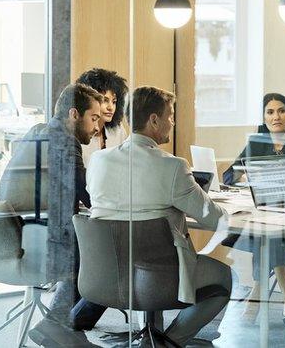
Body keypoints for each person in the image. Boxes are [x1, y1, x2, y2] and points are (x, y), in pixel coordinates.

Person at [86, 86, 233, 347]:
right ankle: (169, 342)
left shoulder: (98, 161)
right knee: (223, 277)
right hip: (157, 277)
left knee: (148, 256)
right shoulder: (173, 166)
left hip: (107, 274)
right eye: (171, 116)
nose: (172, 123)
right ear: (154, 119)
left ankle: (155, 340)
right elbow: (214, 219)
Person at [221, 93, 285, 325]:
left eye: (281, 110)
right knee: (268, 233)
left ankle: (256, 297)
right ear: (264, 117)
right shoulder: (257, 143)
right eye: (270, 112)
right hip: (265, 215)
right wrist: (244, 173)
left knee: (269, 235)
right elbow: (228, 175)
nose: (276, 116)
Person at [24, 83, 108, 347]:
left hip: (28, 231)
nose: (97, 127)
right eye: (93, 118)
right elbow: (85, 192)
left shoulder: (39, 132)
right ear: (74, 114)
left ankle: (66, 328)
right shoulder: (65, 141)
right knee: (111, 257)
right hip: (50, 237)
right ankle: (57, 325)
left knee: (101, 253)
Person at [75, 68, 129, 165]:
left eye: (114, 101)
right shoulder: (76, 134)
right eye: (105, 100)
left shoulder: (118, 130)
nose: (111, 107)